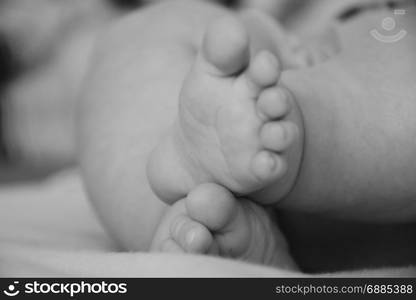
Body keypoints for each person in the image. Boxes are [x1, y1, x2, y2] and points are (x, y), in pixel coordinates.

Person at [78, 0, 416, 272]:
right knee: (143, 32)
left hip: (375, 71)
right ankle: (185, 224)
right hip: (289, 59)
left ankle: (294, 131)